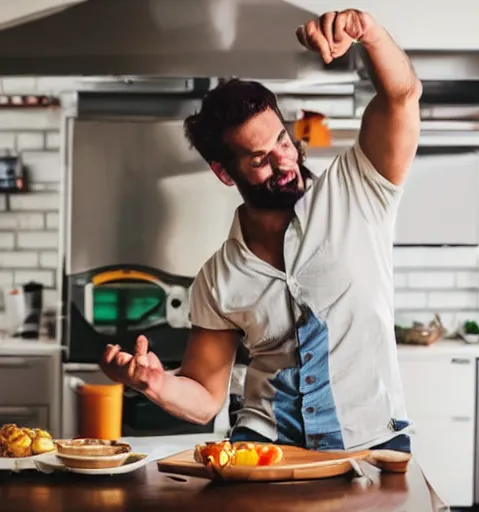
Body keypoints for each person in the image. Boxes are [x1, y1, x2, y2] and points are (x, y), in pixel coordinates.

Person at [100, 8, 422, 453]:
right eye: (259, 159)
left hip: (369, 445)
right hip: (264, 450)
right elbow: (205, 398)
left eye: (283, 142)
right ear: (224, 173)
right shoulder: (218, 278)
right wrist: (154, 383)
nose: (284, 160)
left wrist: (368, 33)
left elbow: (402, 95)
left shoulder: (357, 190)